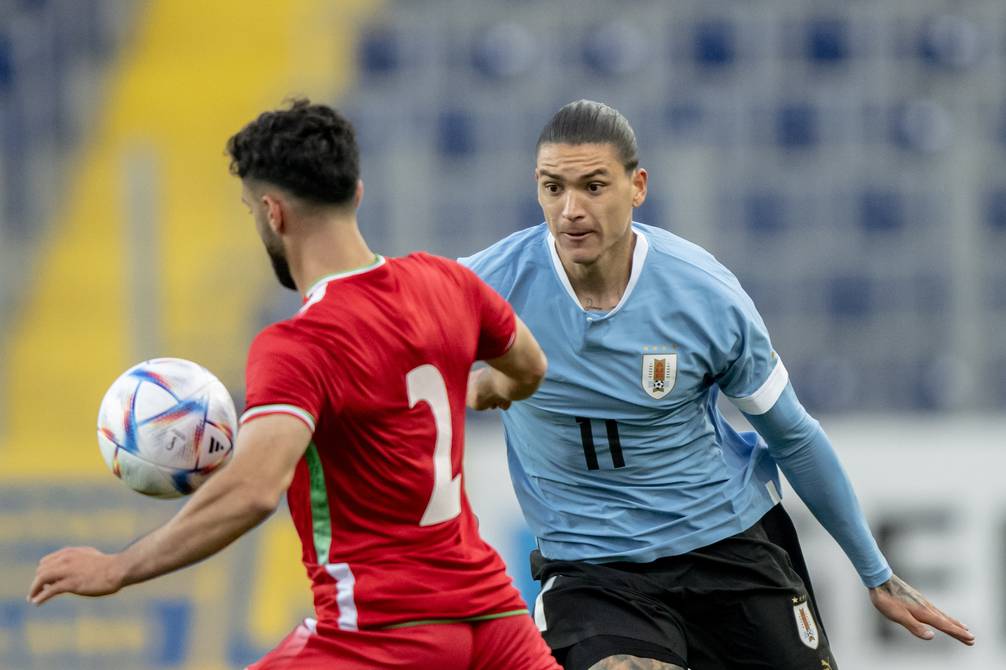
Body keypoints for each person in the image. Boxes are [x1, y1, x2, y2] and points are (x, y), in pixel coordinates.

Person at [27, 99, 561, 670]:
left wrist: (117, 568)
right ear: (355, 192)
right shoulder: (447, 281)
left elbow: (254, 489)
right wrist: (480, 389)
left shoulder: (299, 345)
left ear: (272, 213)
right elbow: (530, 366)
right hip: (496, 625)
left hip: (381, 633)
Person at [461, 99, 975, 670]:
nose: (571, 210)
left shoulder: (703, 295)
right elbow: (384, 347)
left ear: (638, 186)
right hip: (593, 571)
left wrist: (876, 573)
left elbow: (793, 437)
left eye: (593, 186)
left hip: (728, 547)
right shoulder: (488, 287)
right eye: (554, 188)